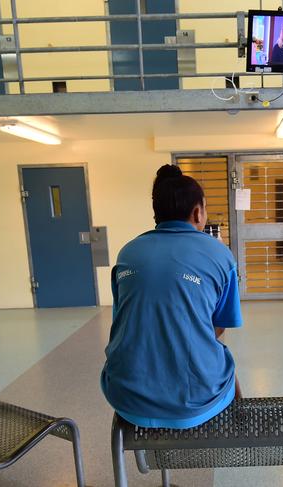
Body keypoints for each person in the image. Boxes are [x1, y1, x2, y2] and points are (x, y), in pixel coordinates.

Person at [100, 164, 242, 429]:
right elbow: (218, 328)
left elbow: (125, 318)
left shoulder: (128, 252)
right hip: (195, 398)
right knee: (225, 361)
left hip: (125, 393)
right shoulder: (220, 254)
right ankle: (238, 429)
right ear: (198, 212)